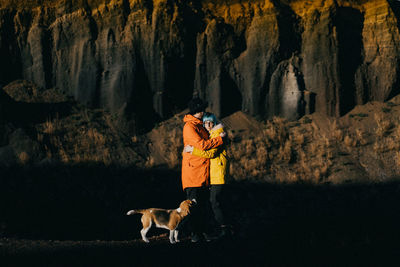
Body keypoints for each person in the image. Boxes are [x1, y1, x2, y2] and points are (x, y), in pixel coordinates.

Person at [181, 97, 225, 242]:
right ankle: (194, 235)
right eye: (200, 110)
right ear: (195, 111)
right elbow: (202, 145)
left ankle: (201, 234)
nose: (202, 112)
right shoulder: (190, 127)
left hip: (203, 174)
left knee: (202, 207)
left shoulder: (200, 125)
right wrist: (220, 140)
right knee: (192, 206)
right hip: (193, 173)